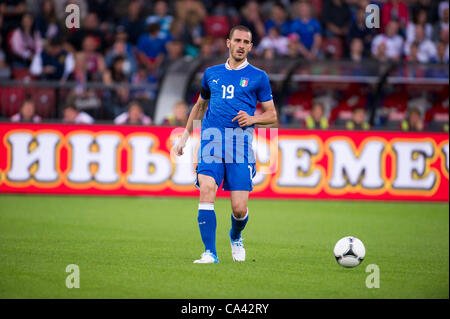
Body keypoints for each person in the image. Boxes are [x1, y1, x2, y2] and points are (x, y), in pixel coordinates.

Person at [173, 25, 277, 264]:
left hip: (239, 145)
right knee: (207, 188)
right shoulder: (211, 73)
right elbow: (200, 106)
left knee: (239, 209)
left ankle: (236, 235)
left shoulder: (259, 77)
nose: (241, 45)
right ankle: (210, 253)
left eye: (246, 42)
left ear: (251, 47)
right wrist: (185, 136)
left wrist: (253, 119)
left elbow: (272, 115)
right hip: (211, 141)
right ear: (228, 43)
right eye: (237, 40)